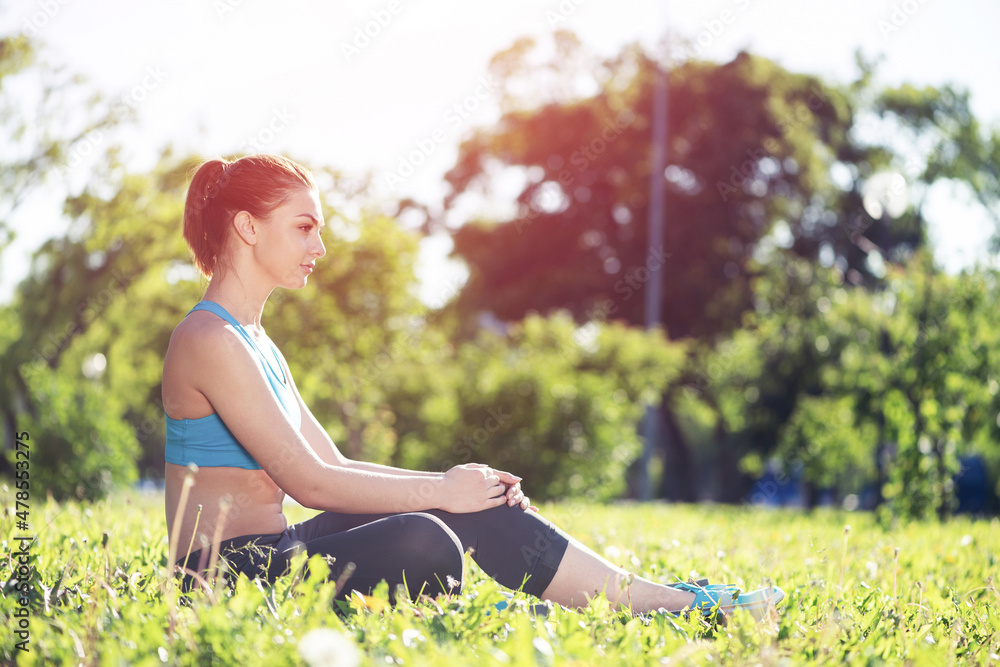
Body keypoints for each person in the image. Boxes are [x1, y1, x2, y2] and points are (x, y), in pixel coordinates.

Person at [162, 154, 784, 620]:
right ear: (247, 227)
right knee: (427, 538)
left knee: (465, 508)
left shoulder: (258, 342)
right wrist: (441, 491)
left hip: (280, 548)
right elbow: (309, 483)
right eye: (304, 227)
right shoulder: (208, 339)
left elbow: (334, 464)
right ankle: (598, 608)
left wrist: (461, 490)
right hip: (225, 576)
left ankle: (655, 601)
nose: (319, 247)